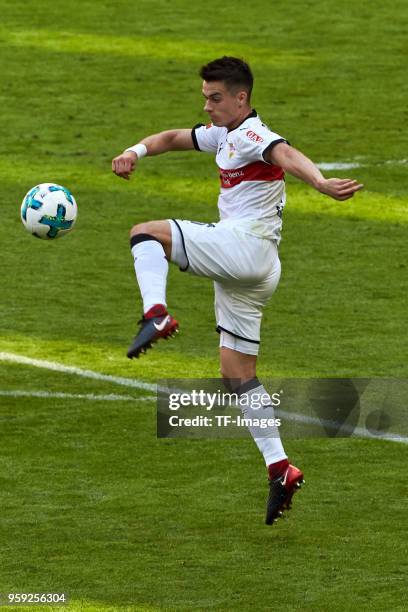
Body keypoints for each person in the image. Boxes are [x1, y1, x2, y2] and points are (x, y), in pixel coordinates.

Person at [112, 56, 363, 525]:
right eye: (205, 97)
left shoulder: (251, 134)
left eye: (216, 97)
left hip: (245, 249)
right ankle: (281, 467)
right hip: (254, 270)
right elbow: (169, 138)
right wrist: (134, 152)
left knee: (146, 233)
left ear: (241, 97)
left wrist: (321, 183)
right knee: (237, 374)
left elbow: (285, 154)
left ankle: (156, 314)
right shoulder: (223, 135)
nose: (207, 106)